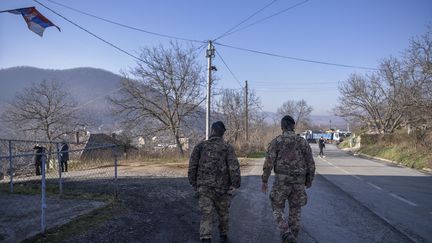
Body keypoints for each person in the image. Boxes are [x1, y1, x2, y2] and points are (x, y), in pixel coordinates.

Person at [262, 115, 315, 243]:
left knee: (276, 207)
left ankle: (285, 232)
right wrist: (309, 180)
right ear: (293, 126)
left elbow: (268, 163)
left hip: (281, 183)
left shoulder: (276, 142)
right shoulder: (303, 142)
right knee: (295, 211)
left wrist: (264, 180)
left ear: (282, 127)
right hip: (298, 183)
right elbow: (311, 164)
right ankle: (293, 238)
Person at [188, 121, 241, 243]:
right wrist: (235, 184)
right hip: (222, 188)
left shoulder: (200, 146)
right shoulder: (227, 148)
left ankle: (206, 238)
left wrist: (194, 183)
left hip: (204, 188)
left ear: (212, 131)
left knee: (206, 213)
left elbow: (192, 166)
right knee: (223, 213)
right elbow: (234, 167)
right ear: (223, 134)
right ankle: (223, 235)